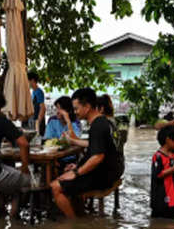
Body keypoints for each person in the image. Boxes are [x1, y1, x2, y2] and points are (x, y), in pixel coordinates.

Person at [51, 88, 123, 218]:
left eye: (76, 108)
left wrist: (76, 172)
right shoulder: (105, 121)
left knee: (55, 186)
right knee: (65, 174)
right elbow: (96, 148)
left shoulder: (97, 126)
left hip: (105, 175)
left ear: (88, 106)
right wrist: (78, 166)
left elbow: (97, 157)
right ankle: (80, 214)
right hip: (113, 169)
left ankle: (74, 225)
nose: (75, 112)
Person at [151, 126, 174, 219]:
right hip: (162, 200)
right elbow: (157, 175)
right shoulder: (158, 157)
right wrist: (173, 169)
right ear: (168, 140)